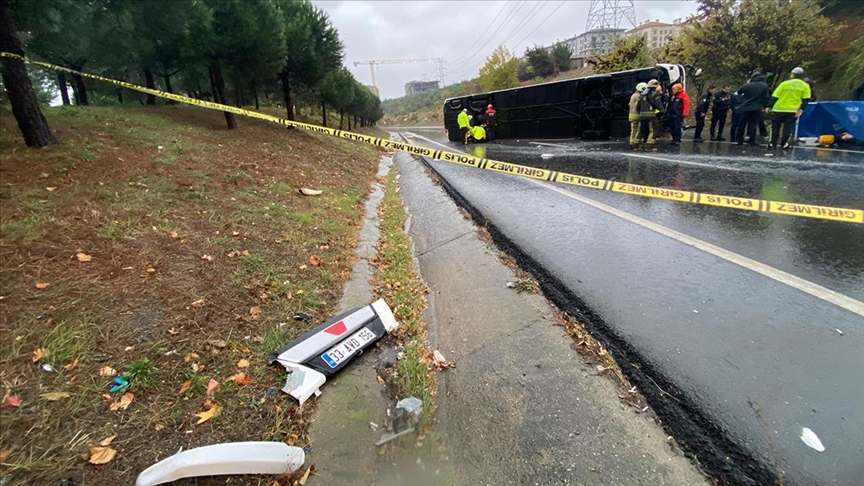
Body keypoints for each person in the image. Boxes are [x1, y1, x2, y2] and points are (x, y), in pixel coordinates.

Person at [767, 66, 811, 150]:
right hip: (792, 110)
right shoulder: (805, 86)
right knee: (788, 128)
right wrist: (801, 110)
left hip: (778, 109)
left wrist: (769, 106)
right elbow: (806, 100)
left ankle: (773, 144)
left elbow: (775, 96)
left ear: (792, 74)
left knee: (775, 127)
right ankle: (784, 144)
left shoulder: (784, 84)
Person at [734, 72, 769, 146]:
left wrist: (747, 83)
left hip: (746, 106)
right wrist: (765, 106)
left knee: (742, 123)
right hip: (756, 107)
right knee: (753, 124)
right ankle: (751, 140)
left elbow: (739, 92)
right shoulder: (764, 85)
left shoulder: (748, 85)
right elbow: (765, 97)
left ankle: (739, 139)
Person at [639, 80, 665, 149]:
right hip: (651, 116)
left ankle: (637, 145)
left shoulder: (642, 94)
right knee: (653, 130)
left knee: (643, 130)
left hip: (642, 115)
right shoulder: (654, 94)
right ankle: (649, 146)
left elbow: (638, 105)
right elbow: (658, 104)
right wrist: (662, 111)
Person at [629, 82, 647, 149]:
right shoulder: (639, 96)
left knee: (633, 130)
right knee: (638, 131)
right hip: (638, 116)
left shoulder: (633, 95)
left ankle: (632, 142)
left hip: (632, 116)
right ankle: (635, 143)